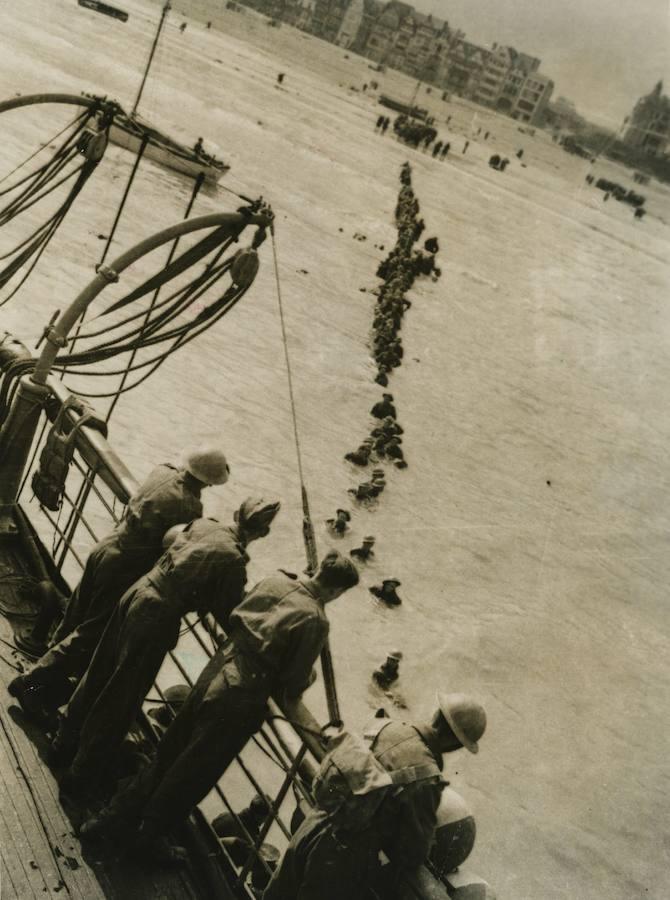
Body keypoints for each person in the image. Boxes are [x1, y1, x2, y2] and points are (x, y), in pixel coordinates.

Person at [80, 551, 360, 860]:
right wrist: (309, 677)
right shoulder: (316, 620)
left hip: (218, 668)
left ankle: (107, 819)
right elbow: (292, 684)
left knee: (167, 752)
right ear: (337, 591)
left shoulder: (277, 580)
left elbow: (237, 614)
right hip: (242, 696)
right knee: (193, 773)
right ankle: (148, 839)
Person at [52, 498, 280, 796]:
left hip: (139, 591)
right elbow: (231, 611)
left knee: (99, 670)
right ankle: (80, 775)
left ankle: (62, 742)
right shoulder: (234, 560)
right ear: (263, 533)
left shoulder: (205, 524)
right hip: (156, 615)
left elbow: (174, 545)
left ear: (236, 513)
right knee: (122, 696)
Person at [8, 447, 229, 724]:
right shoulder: (190, 507)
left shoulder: (162, 471)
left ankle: (41, 677)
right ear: (209, 481)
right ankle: (30, 682)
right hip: (123, 569)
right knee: (91, 633)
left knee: (74, 616)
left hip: (107, 547)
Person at [262, 693, 487, 899]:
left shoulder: (386, 725)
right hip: (342, 856)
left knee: (277, 894)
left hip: (314, 820)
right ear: (455, 744)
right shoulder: (427, 777)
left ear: (437, 713)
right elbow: (413, 852)